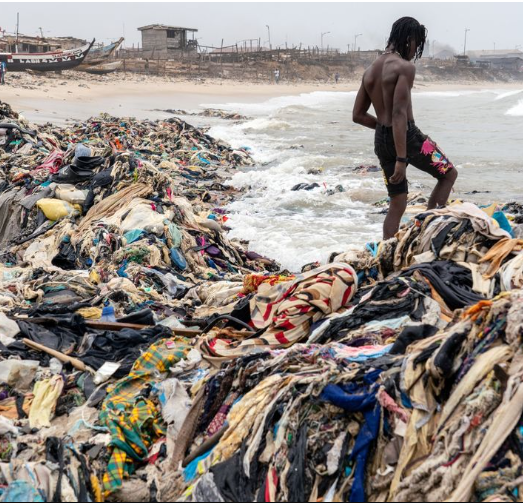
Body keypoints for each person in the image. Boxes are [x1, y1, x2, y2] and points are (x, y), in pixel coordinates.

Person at [352, 17, 457, 240]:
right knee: (448, 174)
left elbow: (358, 116)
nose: (415, 51)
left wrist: (384, 131)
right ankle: (429, 234)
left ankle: (387, 253)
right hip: (409, 138)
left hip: (382, 140)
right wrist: (401, 158)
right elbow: (399, 114)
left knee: (397, 202)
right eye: (417, 44)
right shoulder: (404, 68)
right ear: (408, 39)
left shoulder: (370, 71)